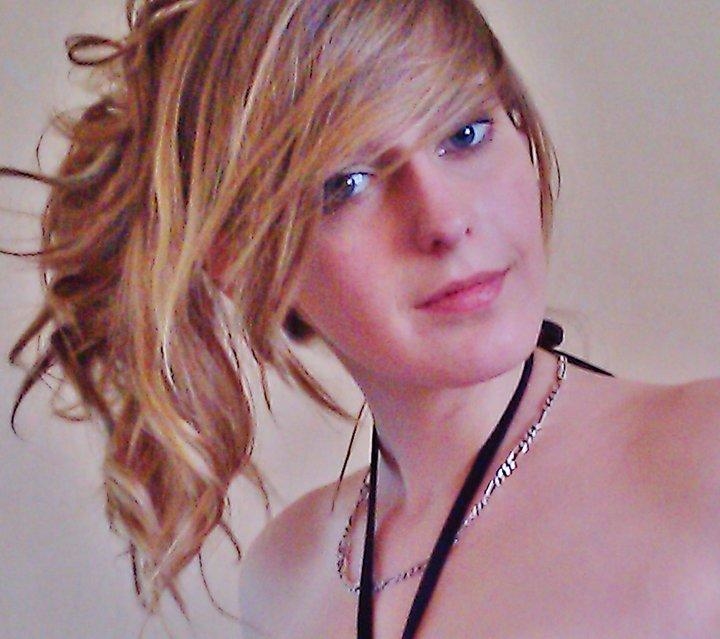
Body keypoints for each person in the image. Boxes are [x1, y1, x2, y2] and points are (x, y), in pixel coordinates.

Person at [3, 0, 718, 637]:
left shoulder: (702, 458)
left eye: (466, 133)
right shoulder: (286, 575)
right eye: (345, 183)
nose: (444, 220)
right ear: (238, 256)